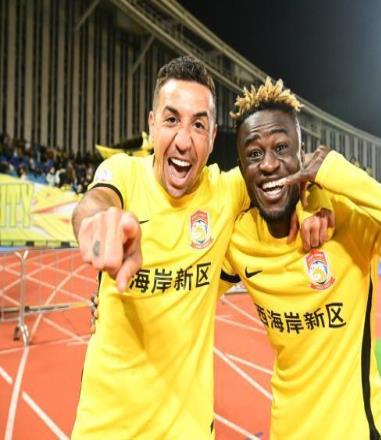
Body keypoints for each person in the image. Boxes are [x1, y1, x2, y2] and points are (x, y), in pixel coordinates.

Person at [71, 57, 330, 439]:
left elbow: (298, 166)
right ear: (152, 124)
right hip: (105, 429)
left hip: (188, 430)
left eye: (198, 125)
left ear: (212, 137)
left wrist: (315, 203)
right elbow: (95, 203)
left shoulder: (226, 191)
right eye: (171, 119)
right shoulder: (124, 174)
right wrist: (99, 223)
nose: (183, 140)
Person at [218, 78, 381, 439]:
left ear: (302, 155)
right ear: (240, 167)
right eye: (253, 154)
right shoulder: (239, 239)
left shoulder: (349, 219)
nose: (268, 164)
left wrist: (344, 178)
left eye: (281, 147)